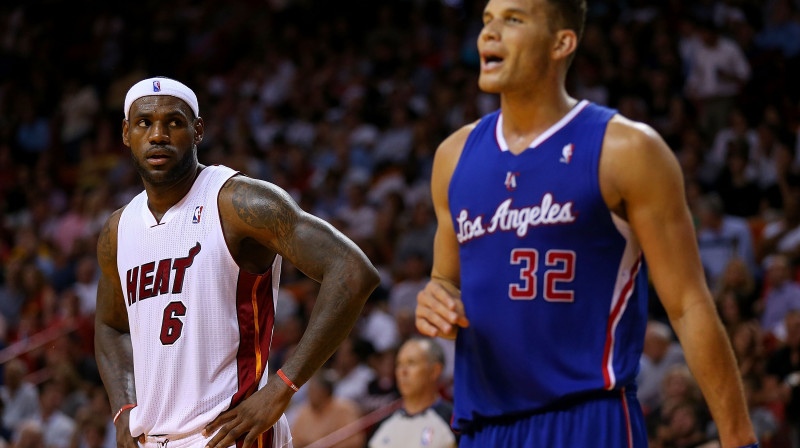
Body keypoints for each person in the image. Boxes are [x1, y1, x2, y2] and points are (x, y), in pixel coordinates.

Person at [414, 0, 757, 446]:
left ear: (562, 42)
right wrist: (435, 298)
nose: (489, 34)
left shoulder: (628, 150)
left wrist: (739, 439)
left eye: (513, 20)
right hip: (485, 430)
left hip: (588, 419)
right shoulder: (453, 157)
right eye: (486, 21)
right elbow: (444, 281)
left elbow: (688, 305)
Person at [95, 77, 380, 448]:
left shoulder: (237, 201)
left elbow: (352, 270)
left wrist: (283, 387)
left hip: (233, 435)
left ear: (198, 131)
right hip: (152, 438)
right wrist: (122, 409)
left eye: (174, 122)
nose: (158, 134)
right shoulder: (118, 229)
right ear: (126, 133)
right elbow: (109, 324)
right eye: (144, 123)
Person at [368, 338, 456, 448]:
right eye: (399, 364)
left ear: (435, 371)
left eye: (411, 363)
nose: (403, 371)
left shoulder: (454, 421)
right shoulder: (382, 424)